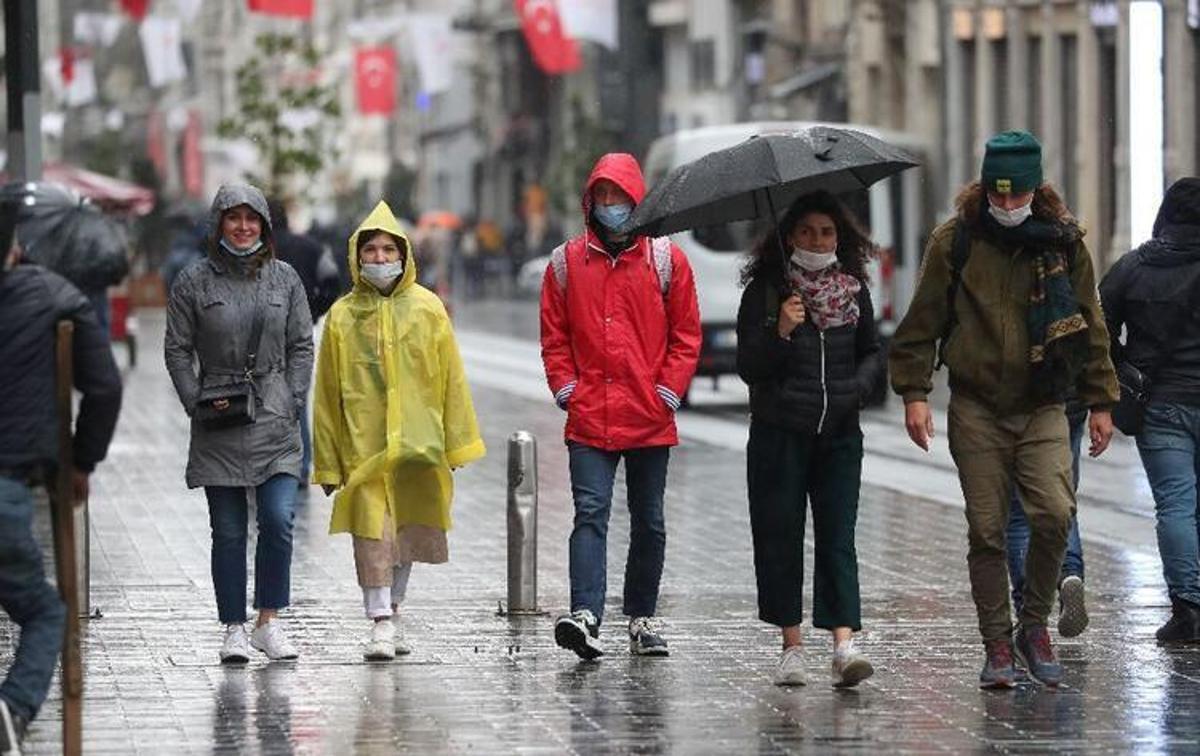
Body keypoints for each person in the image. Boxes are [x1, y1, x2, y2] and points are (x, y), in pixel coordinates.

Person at [888, 131, 1118, 688]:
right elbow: (923, 322)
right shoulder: (956, 241)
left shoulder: (1064, 243)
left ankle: (1032, 625)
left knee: (1053, 514)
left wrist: (1101, 399)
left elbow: (1090, 322)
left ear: (1037, 191)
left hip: (1044, 403)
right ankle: (997, 642)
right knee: (987, 529)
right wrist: (914, 392)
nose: (1009, 207)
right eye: (1000, 195)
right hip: (978, 406)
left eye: (1019, 197)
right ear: (985, 188)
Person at [540, 153, 701, 659]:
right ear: (590, 202)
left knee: (649, 519)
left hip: (649, 414)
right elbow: (554, 337)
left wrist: (668, 391)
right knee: (590, 513)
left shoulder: (665, 260)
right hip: (590, 415)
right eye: (602, 197)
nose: (611, 206)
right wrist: (568, 388)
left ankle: (642, 618)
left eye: (620, 196)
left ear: (638, 200)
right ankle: (586, 614)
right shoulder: (566, 263)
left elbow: (686, 334)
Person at [312, 200, 485, 661]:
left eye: (390, 250)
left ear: (405, 255)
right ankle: (380, 621)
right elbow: (327, 393)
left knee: (407, 532)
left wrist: (457, 441)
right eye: (372, 251)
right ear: (357, 256)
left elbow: (451, 377)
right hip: (364, 447)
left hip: (417, 442)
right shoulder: (343, 317)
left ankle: (393, 604)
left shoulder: (428, 309)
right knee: (372, 533)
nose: (381, 259)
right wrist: (327, 461)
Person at [736, 191, 882, 688]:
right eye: (807, 232)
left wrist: (855, 389)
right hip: (780, 432)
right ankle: (791, 646)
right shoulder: (766, 290)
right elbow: (748, 366)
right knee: (780, 537)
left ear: (840, 238)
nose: (817, 241)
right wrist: (780, 329)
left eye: (827, 232)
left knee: (838, 537)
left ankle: (844, 645)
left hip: (839, 431)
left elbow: (873, 354)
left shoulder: (853, 289)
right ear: (789, 237)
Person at [164, 184, 314, 664]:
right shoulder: (193, 281)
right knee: (227, 529)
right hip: (219, 416)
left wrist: (291, 397)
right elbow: (176, 348)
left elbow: (301, 344)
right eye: (234, 217)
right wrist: (193, 399)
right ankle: (233, 626)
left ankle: (269, 620)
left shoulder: (285, 279)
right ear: (218, 224)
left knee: (277, 519)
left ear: (266, 226)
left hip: (275, 415)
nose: (244, 226)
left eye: (253, 218)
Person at [0, 200, 122, 754]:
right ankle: (14, 707)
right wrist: (80, 462)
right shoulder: (52, 294)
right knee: (46, 610)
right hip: (7, 487)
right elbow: (103, 387)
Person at [1099, 177, 1200, 645]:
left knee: (1176, 505)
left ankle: (1189, 609)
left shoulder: (1135, 267)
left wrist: (1127, 370)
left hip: (1160, 405)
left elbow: (1095, 327)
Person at [266, 199, 341, 488]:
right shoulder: (311, 247)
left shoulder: (257, 251)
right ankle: (300, 465)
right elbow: (332, 281)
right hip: (299, 333)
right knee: (298, 401)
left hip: (262, 334)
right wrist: (314, 311)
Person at [1005, 399, 1089, 638]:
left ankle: (1028, 612)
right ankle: (1070, 574)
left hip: (1013, 403)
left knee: (1019, 512)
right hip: (1069, 401)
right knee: (1062, 497)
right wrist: (1101, 406)